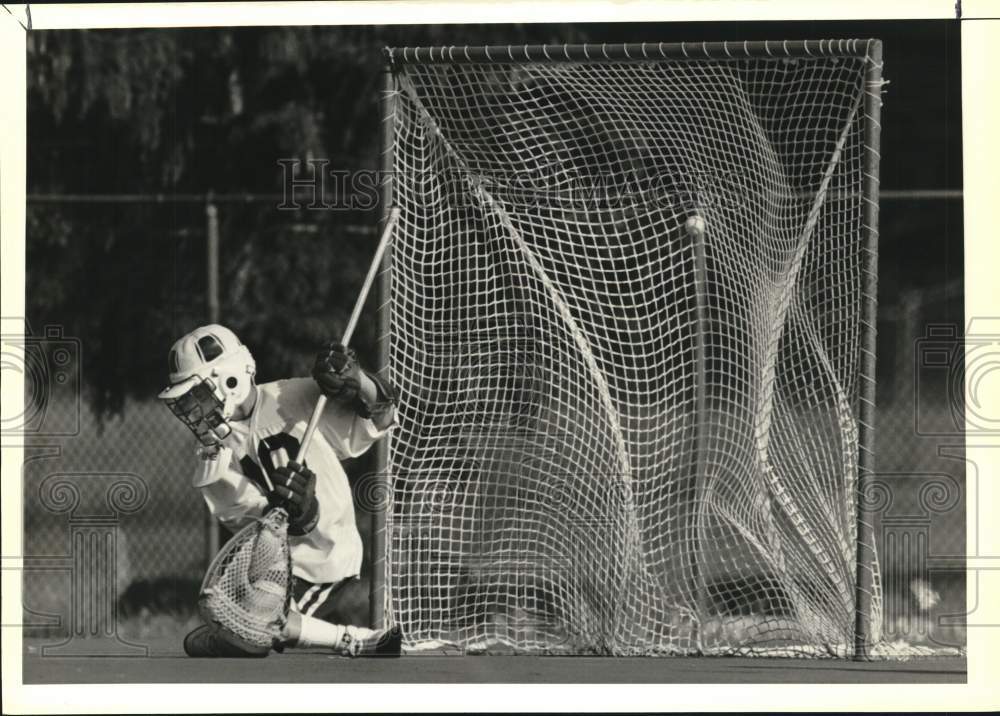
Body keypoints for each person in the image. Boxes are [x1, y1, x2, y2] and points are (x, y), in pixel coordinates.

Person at [157, 323, 400, 657]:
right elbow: (255, 529)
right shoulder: (214, 456)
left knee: (257, 623)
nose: (192, 410)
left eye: (196, 395)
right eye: (186, 402)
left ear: (230, 379)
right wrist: (294, 512)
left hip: (325, 555)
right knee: (233, 620)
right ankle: (240, 631)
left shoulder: (293, 397)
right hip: (278, 561)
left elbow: (383, 414)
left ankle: (359, 641)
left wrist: (357, 381)